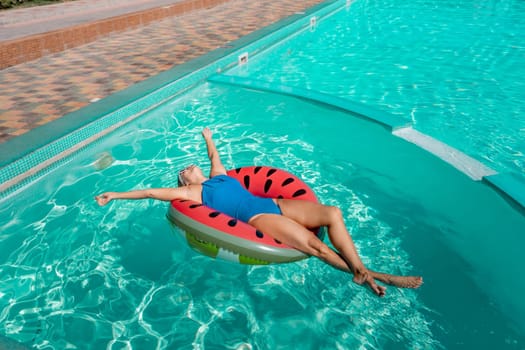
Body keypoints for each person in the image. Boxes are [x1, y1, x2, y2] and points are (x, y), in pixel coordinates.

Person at [96, 128, 422, 296]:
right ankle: (375, 277)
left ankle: (363, 271)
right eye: (185, 169)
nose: (190, 166)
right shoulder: (192, 192)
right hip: (258, 218)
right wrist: (116, 195)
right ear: (183, 180)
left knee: (333, 213)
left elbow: (213, 154)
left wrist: (208, 137)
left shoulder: (219, 175)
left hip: (277, 203)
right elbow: (152, 193)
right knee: (317, 248)